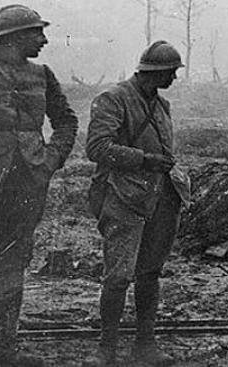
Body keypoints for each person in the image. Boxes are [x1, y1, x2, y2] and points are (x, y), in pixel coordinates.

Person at [0, 5, 78, 366]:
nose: (44, 40)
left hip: (25, 188)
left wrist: (50, 159)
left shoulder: (43, 74)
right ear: (14, 37)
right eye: (37, 33)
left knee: (13, 266)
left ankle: (6, 349)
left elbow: (66, 121)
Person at [82, 40, 190, 366]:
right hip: (123, 196)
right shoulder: (113, 99)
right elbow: (97, 147)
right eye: (170, 73)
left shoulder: (161, 106)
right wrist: (144, 160)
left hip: (161, 198)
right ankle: (106, 350)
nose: (173, 78)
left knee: (150, 273)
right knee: (118, 275)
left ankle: (145, 346)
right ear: (154, 72)